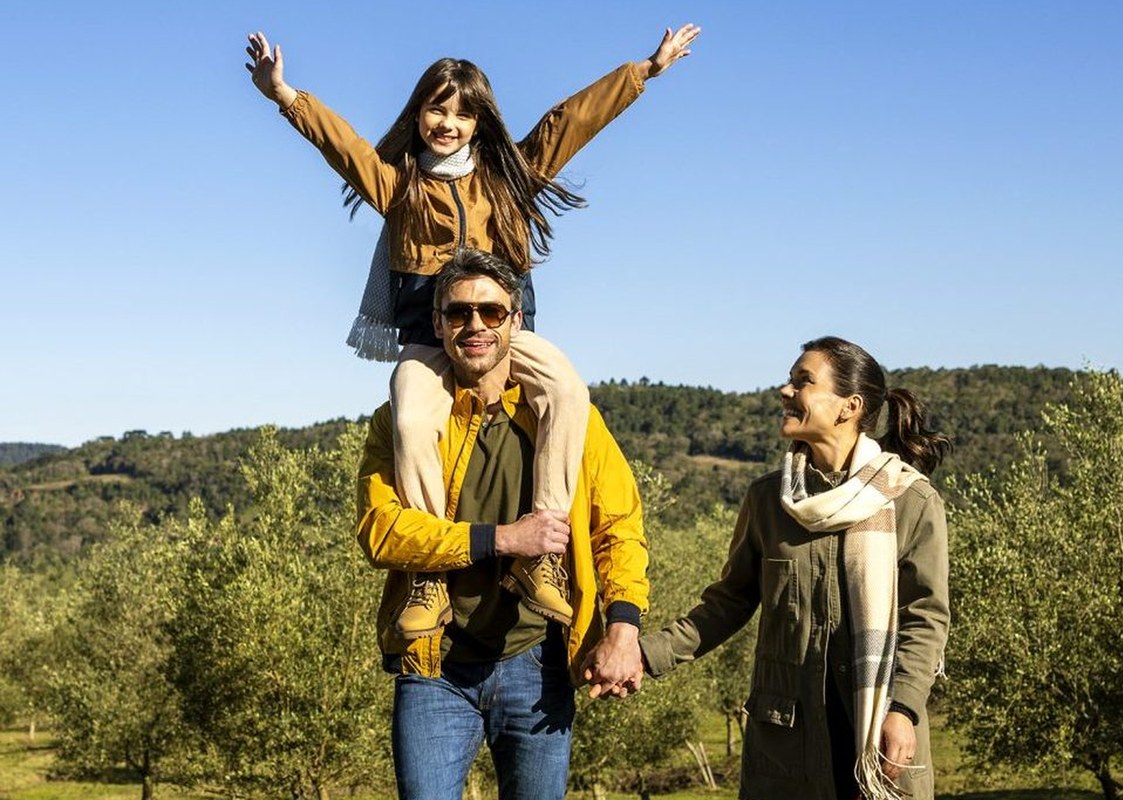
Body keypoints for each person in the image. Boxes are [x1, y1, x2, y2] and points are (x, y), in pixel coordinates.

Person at [245, 25, 698, 635]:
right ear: (420, 112)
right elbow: (344, 146)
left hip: (509, 340)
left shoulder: (509, 180)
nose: (448, 122)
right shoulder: (400, 188)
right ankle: (431, 576)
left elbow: (570, 122)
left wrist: (645, 70)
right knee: (409, 414)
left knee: (566, 391)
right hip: (432, 344)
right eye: (437, 108)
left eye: (461, 112)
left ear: (480, 120)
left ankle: (541, 557)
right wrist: (284, 94)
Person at [355, 249, 648, 798]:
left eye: (491, 313)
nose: (475, 325)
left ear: (516, 320)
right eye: (459, 313)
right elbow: (380, 530)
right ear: (438, 324)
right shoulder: (398, 422)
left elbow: (619, 525)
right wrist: (502, 540)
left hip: (538, 663)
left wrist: (624, 626)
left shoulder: (569, 418)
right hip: (434, 666)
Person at [636, 336, 951, 800]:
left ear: (850, 406)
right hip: (787, 748)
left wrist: (903, 708)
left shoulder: (910, 500)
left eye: (803, 381)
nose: (785, 391)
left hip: (881, 735)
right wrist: (645, 655)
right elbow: (729, 603)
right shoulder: (767, 500)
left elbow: (926, 618)